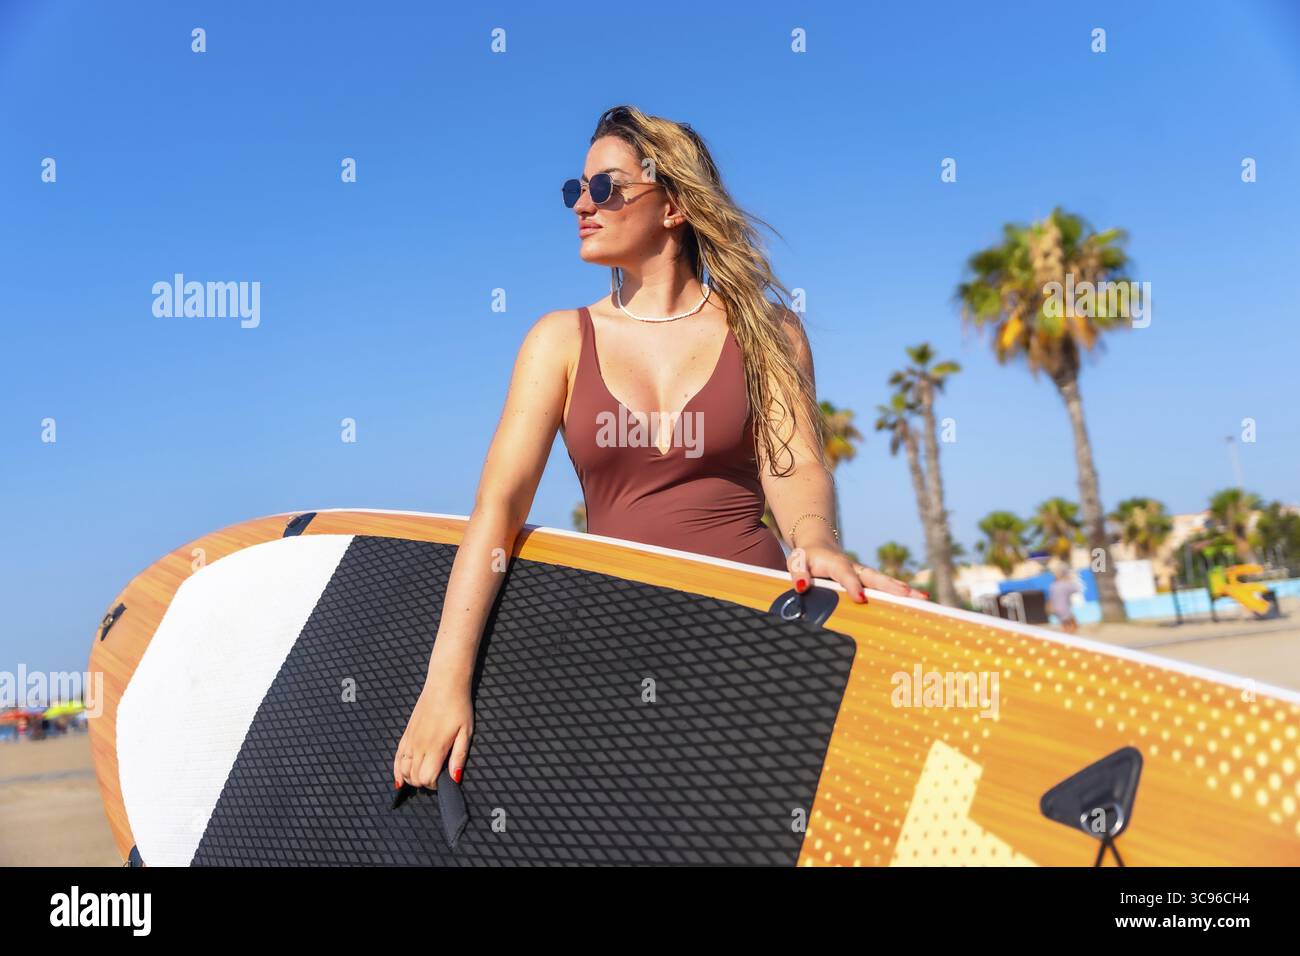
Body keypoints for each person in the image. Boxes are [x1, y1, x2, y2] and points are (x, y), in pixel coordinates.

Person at [393, 105, 923, 793]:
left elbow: (795, 467)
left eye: (605, 188)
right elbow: (497, 508)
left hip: (752, 626)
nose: (582, 204)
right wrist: (446, 682)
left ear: (673, 205)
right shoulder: (558, 340)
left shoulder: (767, 330)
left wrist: (816, 539)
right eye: (575, 191)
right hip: (620, 638)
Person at [1048, 563, 1081, 633]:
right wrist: (1069, 580)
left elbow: (1051, 598)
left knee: (1066, 624)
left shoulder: (1053, 585)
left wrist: (1051, 607)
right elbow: (1077, 589)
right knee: (1071, 626)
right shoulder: (1065, 584)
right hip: (1064, 608)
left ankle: (1068, 634)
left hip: (1056, 608)